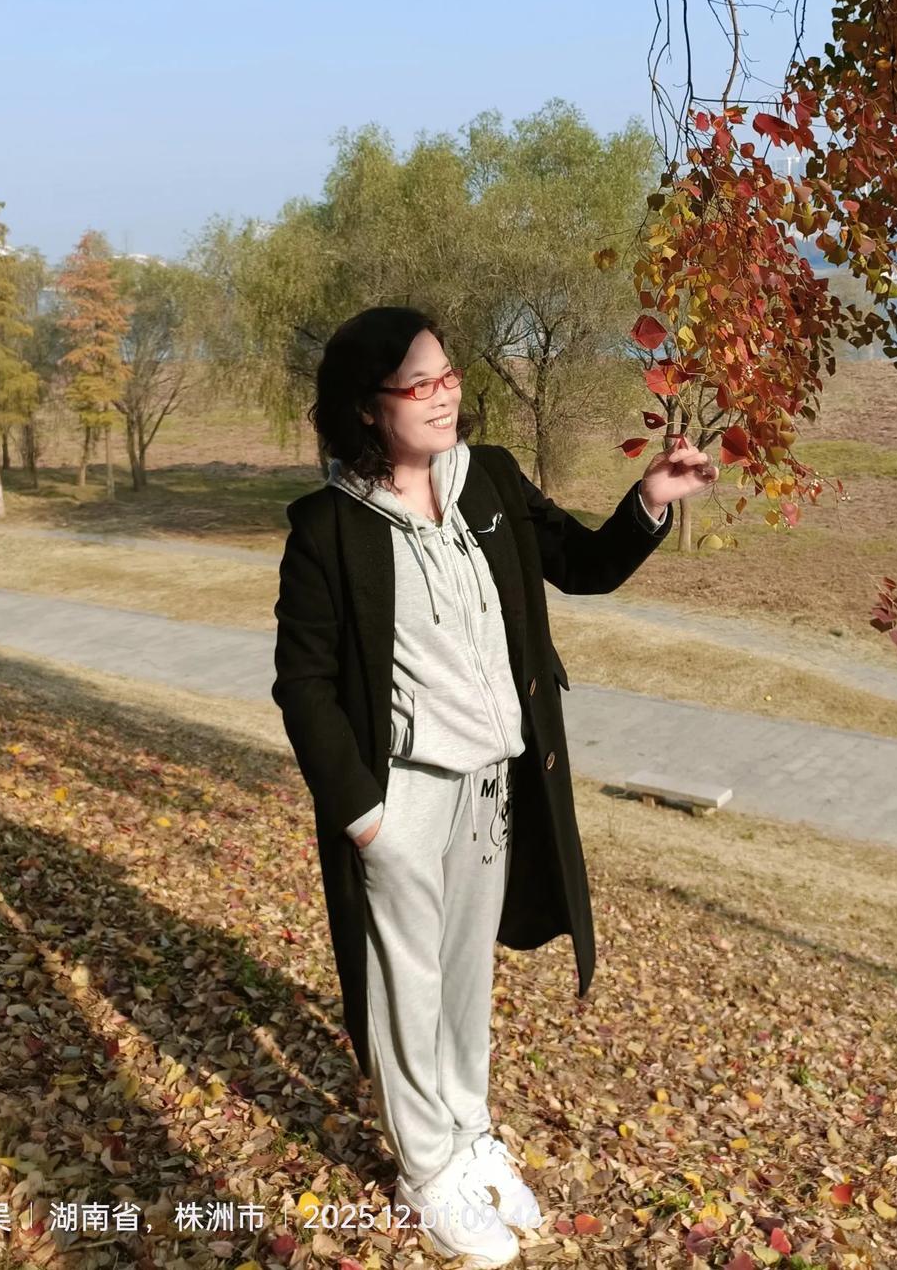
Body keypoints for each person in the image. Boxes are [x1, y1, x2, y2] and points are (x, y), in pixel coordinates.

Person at [271, 305, 718, 1265]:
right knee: (407, 987)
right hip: (400, 796)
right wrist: (364, 816)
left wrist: (650, 499)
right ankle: (426, 1169)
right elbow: (302, 684)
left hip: (491, 786)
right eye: (418, 384)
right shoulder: (329, 529)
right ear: (367, 407)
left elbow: (582, 567)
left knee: (465, 976)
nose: (443, 397)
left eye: (448, 376)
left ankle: (469, 1132)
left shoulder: (492, 482)